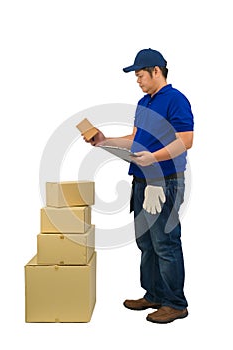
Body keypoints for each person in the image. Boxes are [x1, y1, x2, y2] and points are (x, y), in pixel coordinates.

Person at [85, 48, 194, 324]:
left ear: (156, 71)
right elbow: (135, 139)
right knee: (145, 241)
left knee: (164, 242)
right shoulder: (144, 103)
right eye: (136, 76)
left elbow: (186, 139)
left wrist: (154, 157)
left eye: (140, 74)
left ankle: (175, 303)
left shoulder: (176, 100)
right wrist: (105, 139)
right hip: (141, 180)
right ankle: (154, 294)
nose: (138, 80)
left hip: (165, 181)